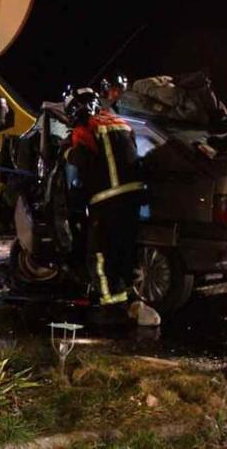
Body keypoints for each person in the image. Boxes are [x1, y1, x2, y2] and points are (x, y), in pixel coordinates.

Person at [63, 87, 145, 324]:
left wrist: (66, 150)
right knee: (125, 249)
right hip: (132, 197)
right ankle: (131, 299)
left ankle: (111, 309)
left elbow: (82, 160)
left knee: (100, 254)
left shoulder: (85, 129)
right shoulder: (121, 122)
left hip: (107, 199)